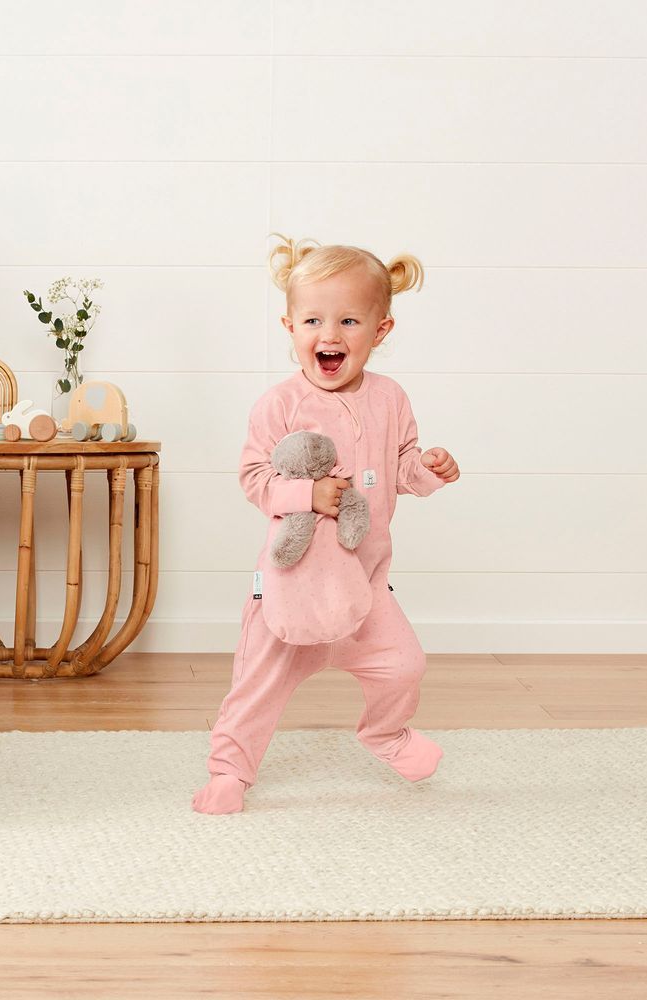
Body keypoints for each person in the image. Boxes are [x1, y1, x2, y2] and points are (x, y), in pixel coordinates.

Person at [192, 234, 460, 814]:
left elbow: (403, 467)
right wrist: (307, 494)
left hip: (365, 585)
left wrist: (429, 469)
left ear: (381, 331)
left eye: (348, 321)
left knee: (404, 665)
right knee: (256, 686)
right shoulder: (280, 404)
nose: (329, 334)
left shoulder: (390, 399)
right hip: (291, 586)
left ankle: (385, 734)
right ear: (290, 327)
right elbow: (254, 478)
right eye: (313, 320)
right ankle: (229, 771)